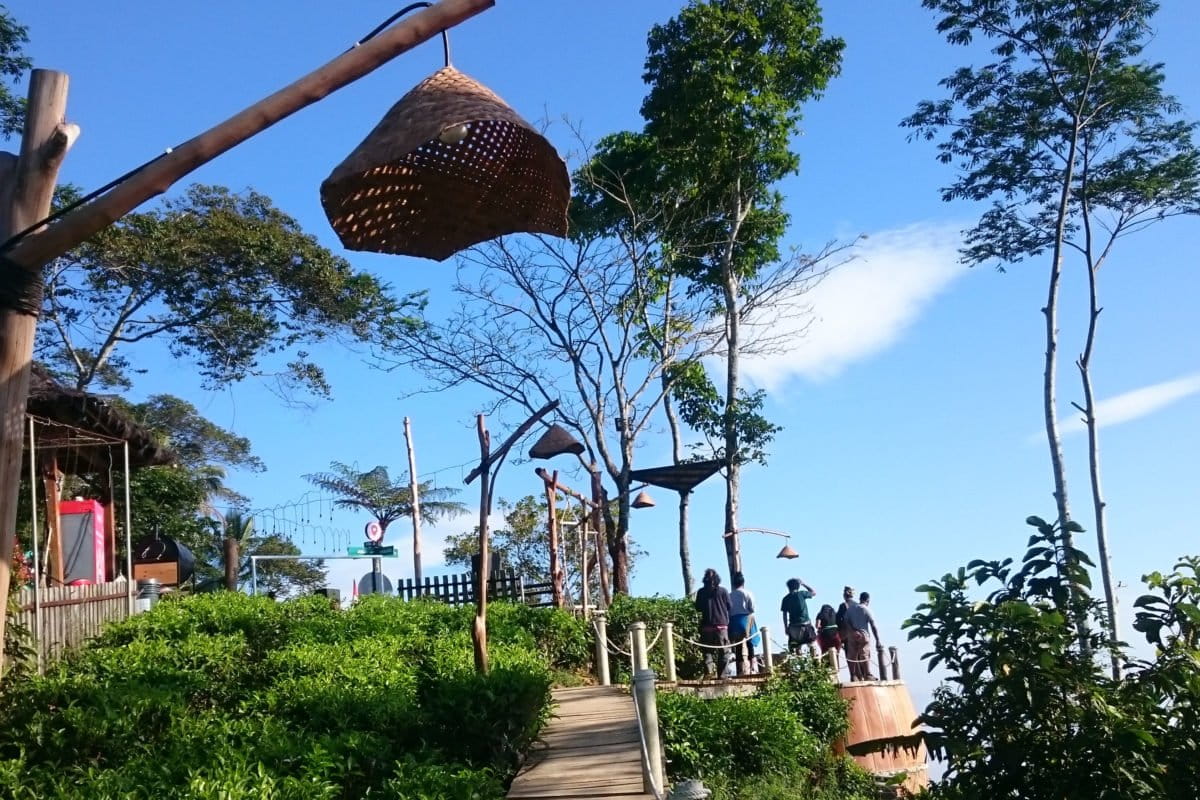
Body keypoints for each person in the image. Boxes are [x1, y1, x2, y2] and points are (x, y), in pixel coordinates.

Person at [694, 567, 731, 677]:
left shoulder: (701, 592)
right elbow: (729, 606)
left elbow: (698, 608)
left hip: (706, 626)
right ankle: (722, 674)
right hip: (721, 626)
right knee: (724, 652)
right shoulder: (723, 591)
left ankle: (709, 671)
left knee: (707, 652)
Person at [843, 589, 882, 681]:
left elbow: (846, 621)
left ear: (860, 599)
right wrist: (878, 640)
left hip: (852, 635)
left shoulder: (851, 609)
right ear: (867, 600)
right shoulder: (866, 609)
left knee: (852, 655)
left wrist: (853, 631)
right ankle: (867, 674)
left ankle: (853, 676)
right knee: (865, 654)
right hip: (863, 635)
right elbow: (873, 625)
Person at [728, 571, 757, 675]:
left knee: (738, 645)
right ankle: (752, 667)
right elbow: (752, 608)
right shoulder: (748, 593)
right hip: (745, 620)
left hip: (734, 622)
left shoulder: (729, 595)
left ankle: (740, 670)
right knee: (750, 643)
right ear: (743, 582)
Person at [780, 577, 817, 655]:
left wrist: (786, 628)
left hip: (793, 627)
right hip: (805, 625)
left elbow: (784, 615)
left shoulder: (785, 599)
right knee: (812, 645)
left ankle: (800, 664)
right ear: (798, 586)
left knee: (796, 648)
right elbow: (813, 592)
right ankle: (815, 663)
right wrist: (803, 584)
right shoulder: (802, 594)